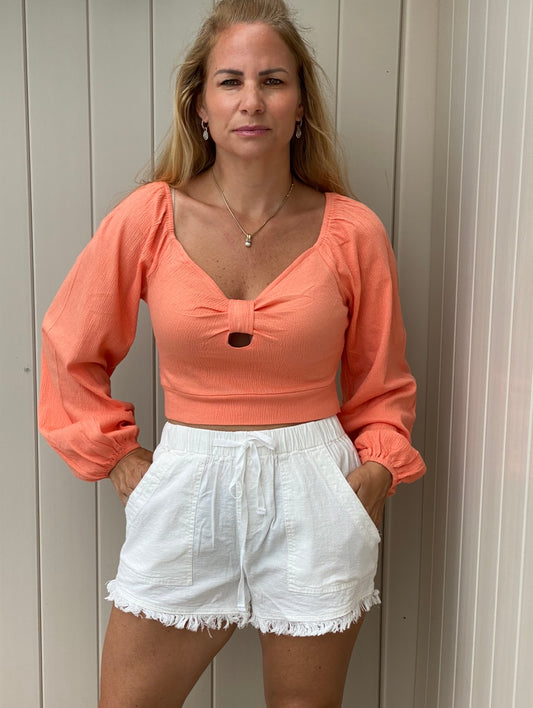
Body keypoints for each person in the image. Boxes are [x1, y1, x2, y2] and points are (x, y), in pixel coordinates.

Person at [38, 0, 426, 705]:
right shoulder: (149, 218)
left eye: (273, 80)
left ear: (300, 103)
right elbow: (70, 347)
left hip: (316, 486)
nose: (252, 100)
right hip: (187, 481)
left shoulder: (352, 232)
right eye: (231, 81)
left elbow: (382, 383)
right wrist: (120, 459)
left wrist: (373, 474)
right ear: (200, 105)